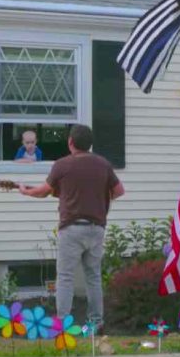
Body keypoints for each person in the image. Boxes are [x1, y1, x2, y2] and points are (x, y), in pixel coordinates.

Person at [18, 125, 124, 331]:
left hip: (71, 228)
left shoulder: (62, 165)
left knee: (65, 276)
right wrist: (98, 199)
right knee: (93, 276)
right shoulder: (103, 164)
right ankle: (96, 322)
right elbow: (119, 191)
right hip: (96, 228)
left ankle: (63, 324)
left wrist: (26, 191)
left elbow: (44, 191)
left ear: (70, 143)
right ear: (90, 144)